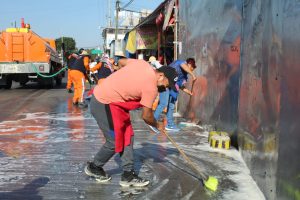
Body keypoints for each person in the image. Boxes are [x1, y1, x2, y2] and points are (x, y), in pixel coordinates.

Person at [84, 59, 178, 187]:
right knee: (114, 140)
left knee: (128, 136)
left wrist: (120, 76)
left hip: (116, 104)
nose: (166, 88)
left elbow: (121, 61)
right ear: (161, 76)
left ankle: (128, 175)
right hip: (103, 102)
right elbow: (146, 116)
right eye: (168, 84)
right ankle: (94, 167)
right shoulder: (151, 87)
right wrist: (158, 125)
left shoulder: (142, 64)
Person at [153, 58, 197, 131]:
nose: (191, 70)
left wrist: (188, 92)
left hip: (173, 90)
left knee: (171, 106)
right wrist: (192, 75)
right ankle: (152, 122)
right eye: (192, 68)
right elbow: (183, 65)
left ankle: (170, 124)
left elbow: (180, 86)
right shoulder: (181, 63)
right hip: (165, 84)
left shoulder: (184, 76)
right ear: (189, 64)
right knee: (163, 103)